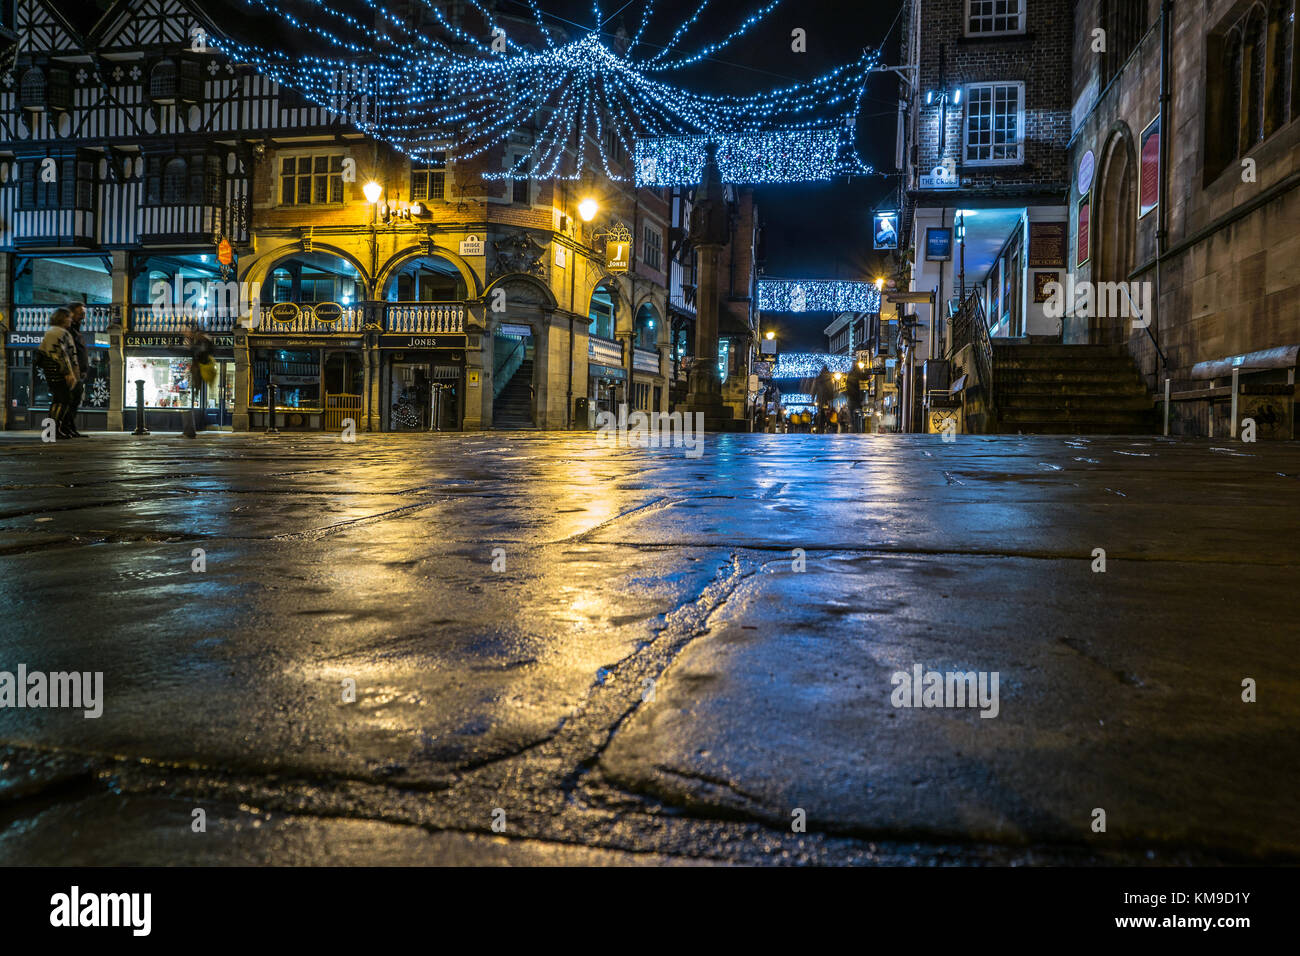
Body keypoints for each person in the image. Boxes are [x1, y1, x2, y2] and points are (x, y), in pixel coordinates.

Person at [36, 308, 80, 440]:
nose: (71, 320)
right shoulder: (57, 332)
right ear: (62, 318)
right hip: (57, 371)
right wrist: (68, 372)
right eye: (68, 317)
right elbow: (60, 354)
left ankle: (54, 430)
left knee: (60, 399)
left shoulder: (54, 332)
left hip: (55, 370)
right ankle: (52, 430)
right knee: (62, 399)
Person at [59, 303, 90, 438]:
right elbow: (66, 352)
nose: (83, 316)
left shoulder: (75, 330)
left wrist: (83, 369)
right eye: (81, 313)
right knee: (66, 401)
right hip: (70, 373)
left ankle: (69, 427)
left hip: (77, 373)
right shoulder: (67, 331)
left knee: (74, 401)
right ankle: (61, 429)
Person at [183, 327, 216, 438]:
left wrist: (191, 346)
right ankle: (190, 427)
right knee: (196, 382)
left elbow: (202, 351)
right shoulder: (198, 341)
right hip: (200, 364)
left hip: (204, 365)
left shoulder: (204, 341)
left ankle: (190, 428)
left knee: (197, 379)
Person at [812, 364, 835, 432]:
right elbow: (831, 389)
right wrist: (831, 397)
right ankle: (825, 424)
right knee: (826, 412)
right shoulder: (829, 378)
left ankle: (820, 426)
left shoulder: (818, 378)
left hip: (820, 398)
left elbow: (814, 388)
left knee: (820, 411)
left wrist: (813, 397)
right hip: (826, 398)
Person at [845, 366, 864, 433]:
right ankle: (858, 429)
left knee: (852, 414)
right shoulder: (856, 376)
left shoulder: (849, 376)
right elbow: (863, 377)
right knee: (859, 413)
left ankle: (854, 428)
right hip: (855, 398)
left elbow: (847, 388)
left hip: (851, 398)